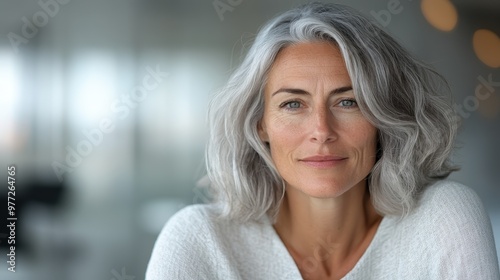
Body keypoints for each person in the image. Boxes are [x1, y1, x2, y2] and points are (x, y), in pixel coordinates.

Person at [145, 2, 500, 279]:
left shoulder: (443, 219)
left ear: (383, 117)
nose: (321, 130)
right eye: (293, 104)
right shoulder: (199, 241)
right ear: (259, 125)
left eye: (348, 102)